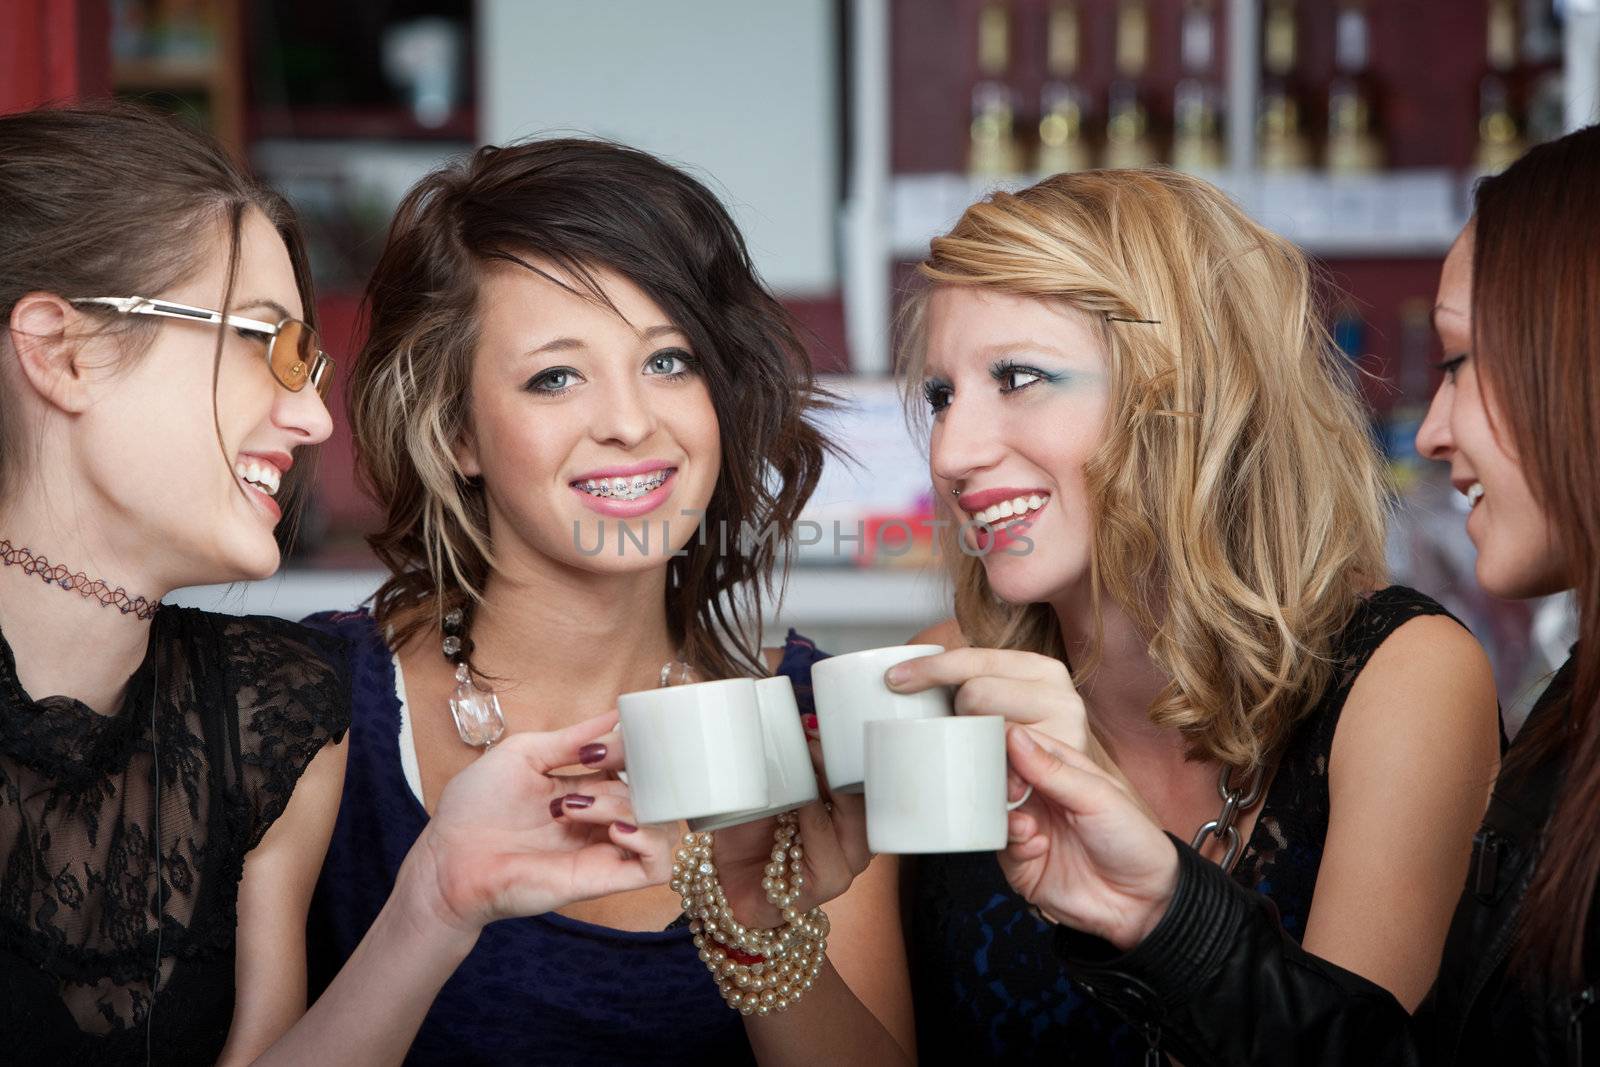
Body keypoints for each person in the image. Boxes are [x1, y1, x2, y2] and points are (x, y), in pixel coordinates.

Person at [732, 166, 1502, 1063]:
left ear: (1189, 397)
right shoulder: (936, 680)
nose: (951, 450)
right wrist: (763, 927)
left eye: (1018, 377)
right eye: (942, 396)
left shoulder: (1401, 677)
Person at [0, 104, 672, 1066]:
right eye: (269, 345)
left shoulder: (271, 706)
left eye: (307, 363)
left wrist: (435, 896)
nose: (314, 417)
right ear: (62, 352)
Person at [304, 137, 915, 1064]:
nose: (631, 421)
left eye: (669, 362)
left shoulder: (811, 719)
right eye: (557, 376)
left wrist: (758, 926)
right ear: (459, 430)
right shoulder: (308, 705)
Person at [999, 125, 1600, 1065]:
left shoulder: (1411, 674)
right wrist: (1164, 910)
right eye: (944, 394)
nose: (1434, 431)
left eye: (1458, 364)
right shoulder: (1575, 720)